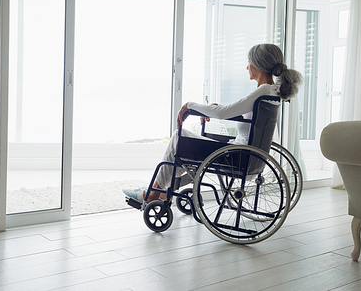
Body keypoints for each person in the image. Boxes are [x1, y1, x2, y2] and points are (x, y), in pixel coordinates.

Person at [123, 43, 302, 204]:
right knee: (184, 149)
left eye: (249, 62)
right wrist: (214, 109)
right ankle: (162, 191)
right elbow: (235, 112)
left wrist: (189, 106)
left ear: (258, 64)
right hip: (246, 156)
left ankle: (153, 194)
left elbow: (224, 113)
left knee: (179, 137)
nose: (247, 67)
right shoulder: (271, 93)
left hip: (235, 156)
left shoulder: (262, 91)